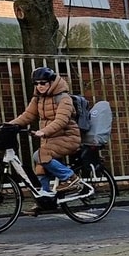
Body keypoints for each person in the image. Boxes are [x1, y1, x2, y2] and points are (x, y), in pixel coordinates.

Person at [11, 66, 81, 202]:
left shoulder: (64, 98)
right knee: (40, 163)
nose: (39, 86)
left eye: (43, 83)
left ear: (51, 82)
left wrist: (44, 131)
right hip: (50, 139)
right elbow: (28, 115)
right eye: (36, 84)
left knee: (40, 155)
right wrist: (9, 125)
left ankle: (71, 178)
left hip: (68, 137)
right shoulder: (38, 98)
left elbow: (62, 120)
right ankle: (45, 197)